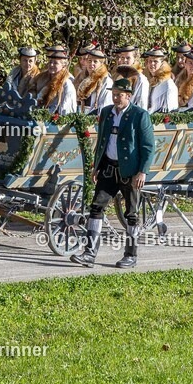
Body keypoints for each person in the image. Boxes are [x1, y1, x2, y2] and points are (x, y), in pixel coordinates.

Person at [70, 77, 155, 269]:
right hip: (108, 168)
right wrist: (96, 166)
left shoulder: (139, 115)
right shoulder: (107, 112)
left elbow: (148, 147)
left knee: (131, 214)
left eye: (119, 95)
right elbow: (102, 141)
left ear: (128, 96)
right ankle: (89, 253)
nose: (115, 99)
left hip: (130, 172)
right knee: (96, 208)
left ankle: (130, 256)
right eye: (114, 95)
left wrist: (142, 172)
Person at [33, 48, 77, 115]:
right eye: (50, 62)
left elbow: (67, 108)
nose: (51, 65)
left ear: (63, 65)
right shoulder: (43, 79)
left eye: (55, 63)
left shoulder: (66, 83)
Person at [73, 42, 112, 114]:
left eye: (95, 61)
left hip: (95, 118)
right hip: (80, 115)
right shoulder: (80, 77)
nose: (91, 64)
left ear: (101, 64)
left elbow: (105, 104)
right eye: (89, 61)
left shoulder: (106, 80)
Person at [142, 47, 178, 113]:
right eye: (150, 61)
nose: (152, 64)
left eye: (155, 61)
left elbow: (169, 110)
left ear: (162, 63)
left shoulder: (167, 84)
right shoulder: (149, 81)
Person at [114, 45, 149, 109]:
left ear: (134, 59)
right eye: (122, 58)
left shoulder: (141, 79)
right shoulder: (119, 77)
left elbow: (141, 103)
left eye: (128, 58)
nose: (124, 60)